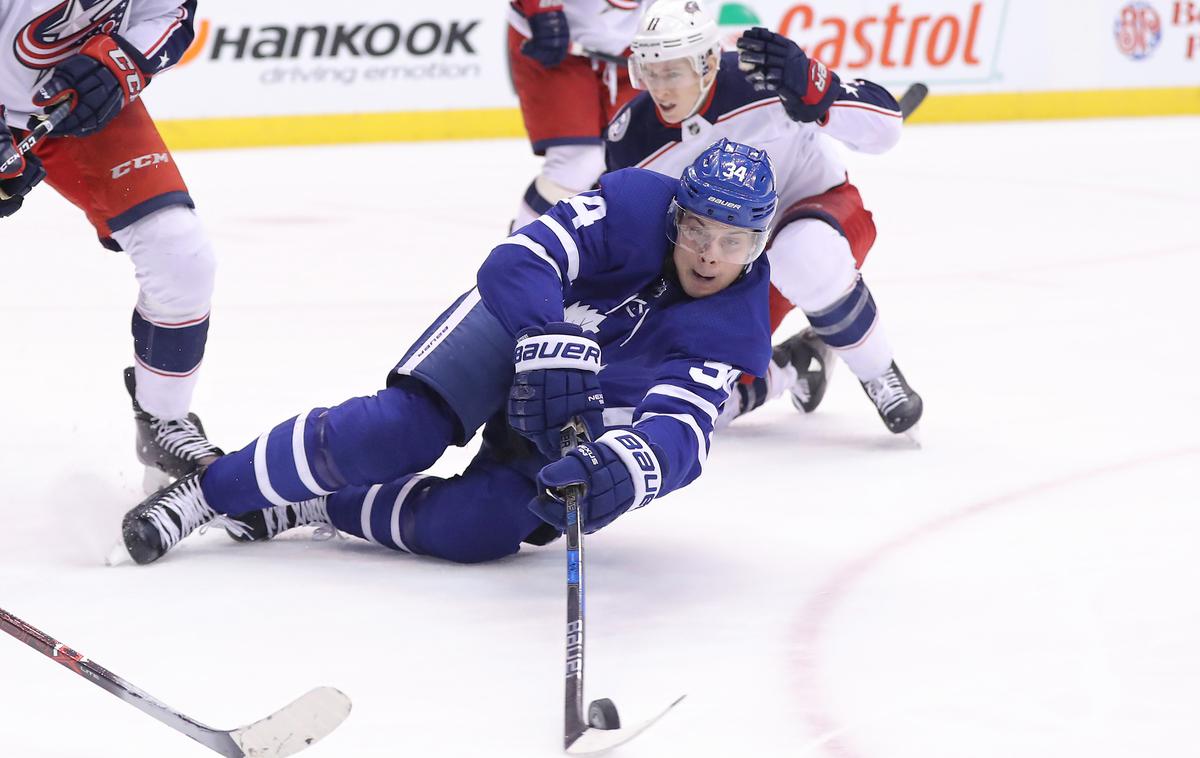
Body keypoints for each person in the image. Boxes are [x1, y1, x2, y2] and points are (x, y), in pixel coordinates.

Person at [118, 139, 777, 566]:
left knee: (481, 529)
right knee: (398, 431)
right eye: (697, 230)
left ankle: (314, 503)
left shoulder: (736, 319)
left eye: (733, 240)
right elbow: (522, 258)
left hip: (586, 404)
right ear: (677, 217)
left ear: (758, 241)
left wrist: (621, 469)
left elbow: (683, 429)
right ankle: (208, 493)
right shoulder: (634, 205)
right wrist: (545, 340)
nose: (710, 255)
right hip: (513, 330)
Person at [605, 0, 923, 435]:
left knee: (801, 253)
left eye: (673, 72)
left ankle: (877, 370)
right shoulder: (631, 136)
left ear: (709, 61)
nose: (660, 88)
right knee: (686, 403)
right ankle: (796, 366)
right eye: (650, 71)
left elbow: (886, 128)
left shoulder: (766, 81)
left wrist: (819, 91)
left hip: (821, 216)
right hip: (728, 261)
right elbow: (636, 235)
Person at [1, 1, 223, 485]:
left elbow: (170, 12)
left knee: (179, 256)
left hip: (81, 106)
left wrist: (119, 62)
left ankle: (163, 421)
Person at [508, 0, 645, 229]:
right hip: (559, 44)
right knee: (576, 163)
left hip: (633, 45)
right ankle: (521, 250)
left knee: (634, 160)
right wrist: (543, 11)